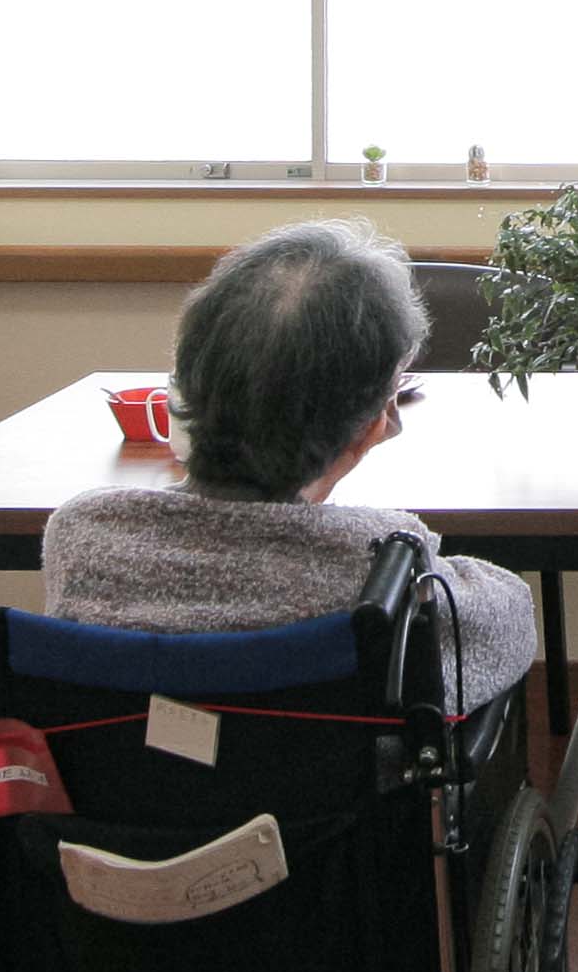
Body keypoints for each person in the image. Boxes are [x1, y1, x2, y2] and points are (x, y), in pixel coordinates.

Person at [42, 221, 538, 712]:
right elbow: (510, 626)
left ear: (186, 388)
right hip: (325, 792)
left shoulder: (81, 535)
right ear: (371, 426)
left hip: (127, 791)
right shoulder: (383, 571)